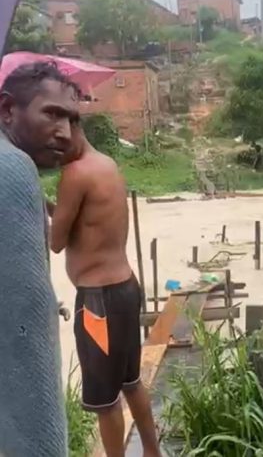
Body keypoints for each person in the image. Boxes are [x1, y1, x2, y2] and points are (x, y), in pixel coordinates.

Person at [50, 90, 162, 456]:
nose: (55, 145)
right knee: (131, 381)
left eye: (58, 135)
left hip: (98, 301)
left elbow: (56, 241)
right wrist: (55, 207)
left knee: (104, 399)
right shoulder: (107, 165)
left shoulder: (74, 174)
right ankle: (151, 450)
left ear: (75, 127)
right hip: (126, 288)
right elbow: (88, 224)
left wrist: (40, 206)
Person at [0, 62, 72, 456]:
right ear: (8, 110)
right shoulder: (12, 167)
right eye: (52, 113)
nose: (65, 132)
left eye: (72, 119)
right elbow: (25, 329)